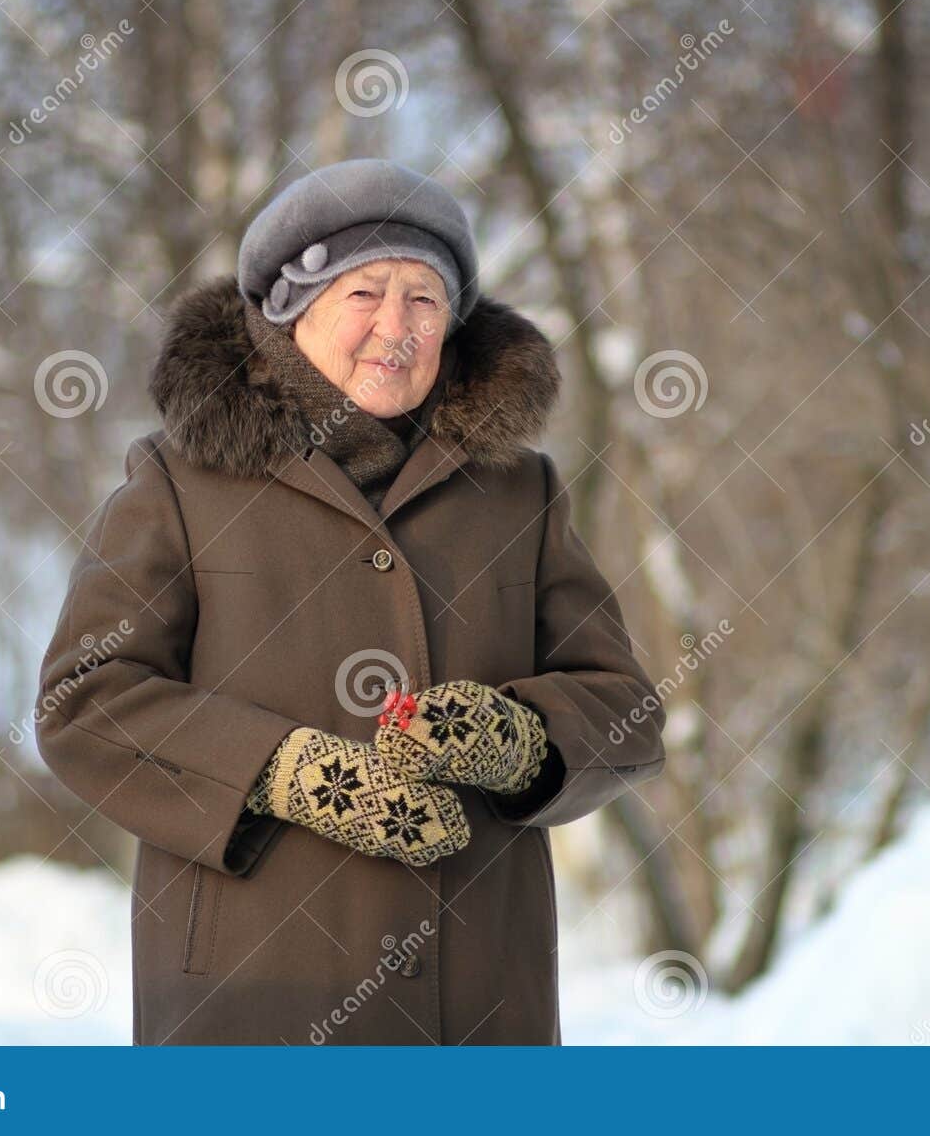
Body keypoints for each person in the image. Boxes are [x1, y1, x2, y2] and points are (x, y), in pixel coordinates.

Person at [35, 157, 667, 1045]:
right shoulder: (180, 480)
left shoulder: (519, 490)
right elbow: (86, 702)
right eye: (364, 292)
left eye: (424, 300)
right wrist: (286, 771)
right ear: (295, 311)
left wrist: (521, 736)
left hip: (479, 1005)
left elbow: (626, 709)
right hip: (254, 1004)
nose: (396, 328)